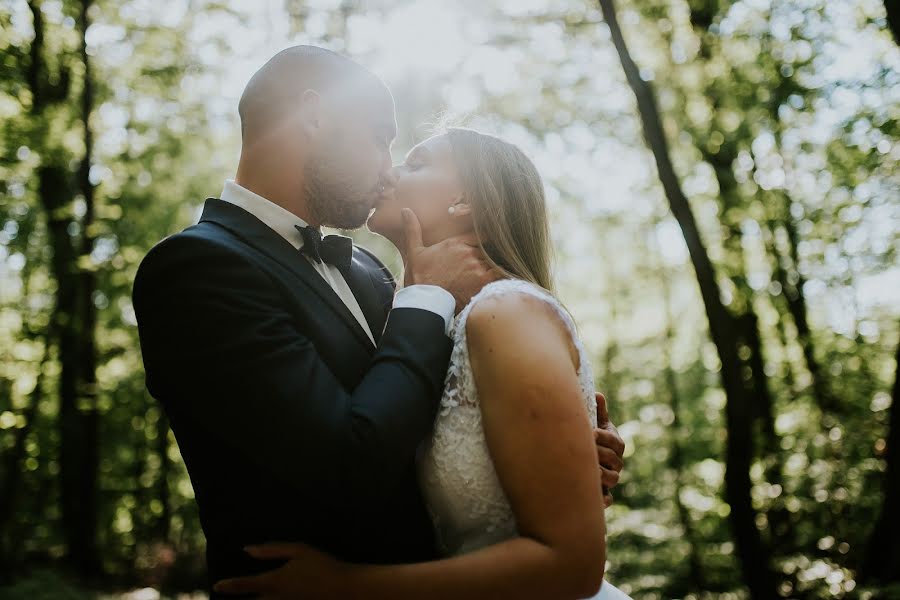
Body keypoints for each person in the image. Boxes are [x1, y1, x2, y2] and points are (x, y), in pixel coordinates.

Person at [133, 45, 625, 597]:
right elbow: (349, 461)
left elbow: (414, 408)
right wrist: (426, 294)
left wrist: (561, 459)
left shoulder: (372, 271)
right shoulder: (196, 269)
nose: (388, 166)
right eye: (379, 136)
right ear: (316, 117)